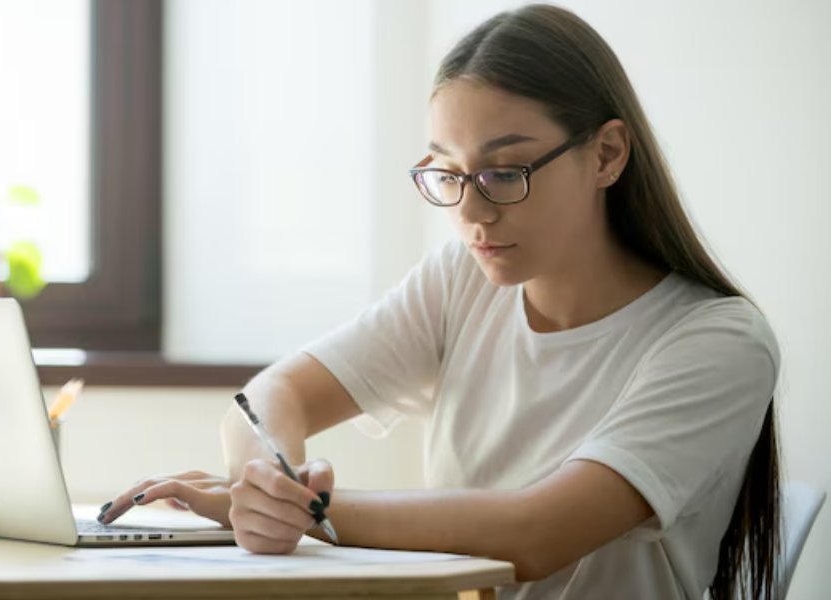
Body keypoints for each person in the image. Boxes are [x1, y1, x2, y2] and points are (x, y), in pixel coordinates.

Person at [98, 5, 780, 599]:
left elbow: (536, 533)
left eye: (504, 173)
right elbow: (276, 394)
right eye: (449, 174)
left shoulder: (717, 341)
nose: (473, 212)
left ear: (606, 154)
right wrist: (265, 480)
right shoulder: (463, 280)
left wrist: (311, 511)